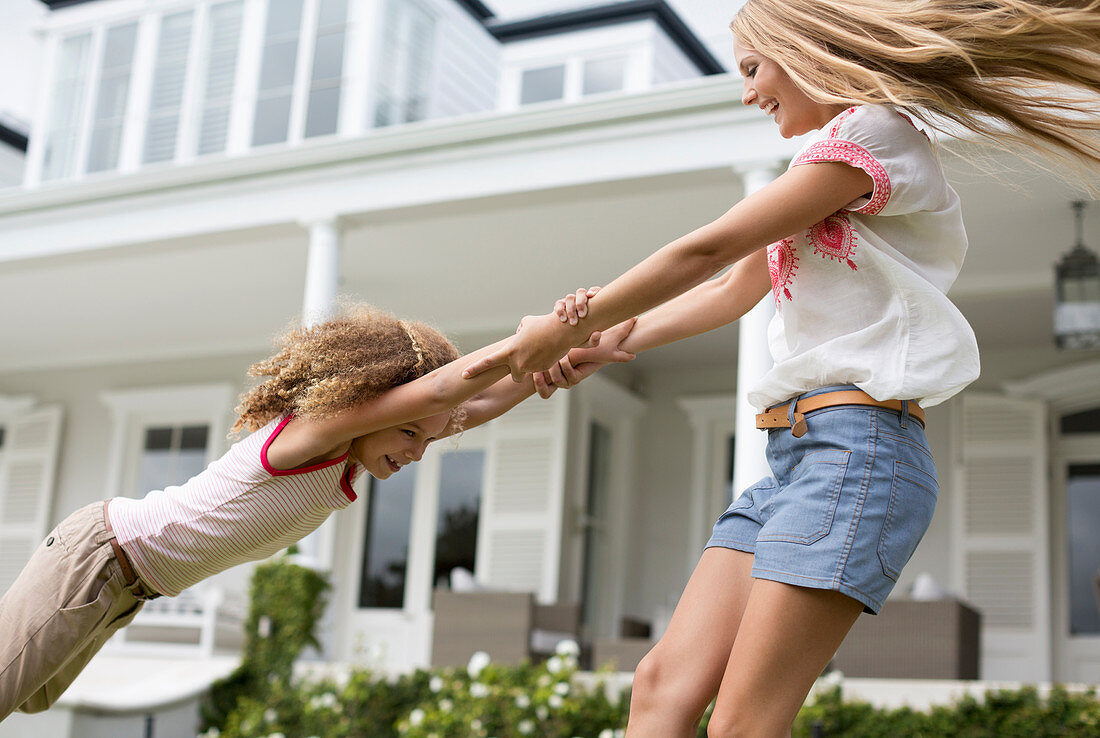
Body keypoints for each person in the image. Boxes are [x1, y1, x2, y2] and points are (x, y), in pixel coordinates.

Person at [464, 1, 1100, 735]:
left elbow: (706, 250)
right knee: (661, 688)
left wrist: (574, 320)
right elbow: (729, 291)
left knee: (743, 722)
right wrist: (595, 343)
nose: (746, 93)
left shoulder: (876, 134)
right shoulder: (826, 160)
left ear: (806, 52)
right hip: (794, 462)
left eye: (752, 69)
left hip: (858, 453)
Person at [0, 303, 635, 721]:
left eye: (427, 440)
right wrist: (529, 341)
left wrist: (560, 361)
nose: (418, 453)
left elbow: (471, 404)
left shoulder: (356, 458)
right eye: (410, 434)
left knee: (32, 700)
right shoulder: (313, 434)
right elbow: (448, 388)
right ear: (374, 402)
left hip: (126, 588)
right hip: (98, 558)